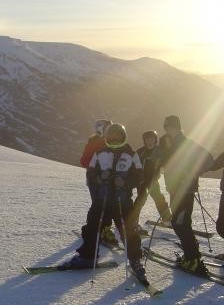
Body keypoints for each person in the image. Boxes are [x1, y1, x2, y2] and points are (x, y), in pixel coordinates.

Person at [64, 123, 146, 278]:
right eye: (111, 135)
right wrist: (100, 177)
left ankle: (135, 260)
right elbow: (90, 173)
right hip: (102, 199)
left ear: (123, 136)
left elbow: (139, 175)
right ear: (107, 137)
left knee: (129, 231)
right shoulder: (100, 153)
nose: (114, 138)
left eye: (118, 135)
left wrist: (126, 182)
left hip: (122, 201)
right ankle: (88, 257)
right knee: (92, 227)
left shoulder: (131, 154)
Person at [159, 115, 213, 274]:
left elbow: (208, 159)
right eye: (167, 127)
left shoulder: (186, 143)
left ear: (178, 127)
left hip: (185, 190)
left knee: (179, 223)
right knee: (181, 222)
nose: (169, 130)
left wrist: (191, 172)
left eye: (171, 127)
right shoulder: (170, 144)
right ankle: (191, 253)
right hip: (175, 189)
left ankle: (193, 259)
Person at [80, 119, 117, 247]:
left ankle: (104, 229)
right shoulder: (94, 142)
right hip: (95, 179)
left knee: (107, 204)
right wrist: (97, 169)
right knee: (98, 204)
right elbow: (84, 161)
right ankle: (93, 228)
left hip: (107, 179)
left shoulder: (111, 142)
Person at [133, 130, 172, 229]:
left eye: (152, 139)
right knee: (140, 200)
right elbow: (133, 166)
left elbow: (166, 161)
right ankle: (132, 220)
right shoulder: (140, 152)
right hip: (141, 181)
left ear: (155, 140)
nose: (150, 141)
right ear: (144, 141)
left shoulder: (160, 151)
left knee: (159, 198)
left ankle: (167, 219)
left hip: (153, 181)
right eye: (147, 139)